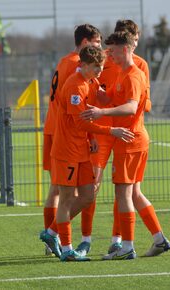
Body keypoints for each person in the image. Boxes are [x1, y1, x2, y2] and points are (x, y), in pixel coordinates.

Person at [81, 31, 170, 260]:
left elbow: (131, 107)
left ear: (126, 48)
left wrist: (102, 113)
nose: (108, 55)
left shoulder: (133, 75)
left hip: (129, 140)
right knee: (135, 193)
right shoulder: (123, 73)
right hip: (133, 139)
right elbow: (107, 98)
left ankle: (127, 247)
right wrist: (89, 80)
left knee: (123, 193)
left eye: (112, 51)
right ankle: (159, 239)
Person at [41, 45, 134, 262]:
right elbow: (81, 122)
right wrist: (112, 130)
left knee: (88, 196)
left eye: (101, 67)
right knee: (65, 199)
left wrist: (92, 139)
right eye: (95, 68)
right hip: (66, 151)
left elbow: (92, 111)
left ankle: (52, 232)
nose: (99, 72)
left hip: (81, 149)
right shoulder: (74, 87)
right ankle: (67, 250)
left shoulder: (90, 81)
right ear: (82, 65)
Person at [40, 24, 103, 256]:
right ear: (86, 42)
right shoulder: (75, 66)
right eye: (97, 42)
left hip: (60, 130)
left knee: (60, 191)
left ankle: (52, 237)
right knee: (61, 192)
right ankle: (56, 240)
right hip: (64, 133)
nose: (100, 47)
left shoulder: (67, 62)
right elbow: (74, 104)